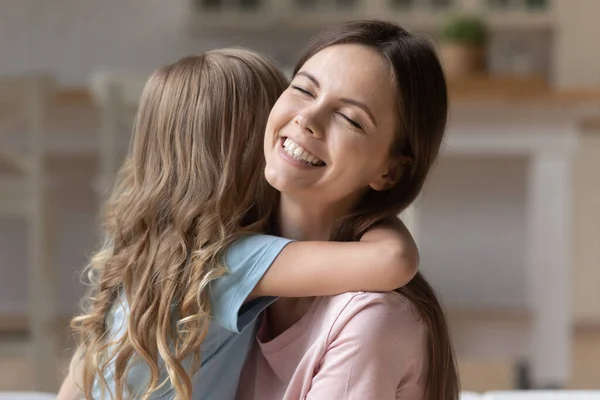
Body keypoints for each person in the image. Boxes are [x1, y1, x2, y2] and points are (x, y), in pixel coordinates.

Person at [57, 48, 419, 400]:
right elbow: (393, 261)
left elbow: (84, 371)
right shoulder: (228, 261)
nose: (297, 124)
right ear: (242, 156)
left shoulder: (146, 247)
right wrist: (380, 209)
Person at [237, 20, 459, 400]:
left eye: (351, 119)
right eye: (304, 89)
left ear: (389, 171)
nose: (307, 119)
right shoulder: (224, 261)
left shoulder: (371, 317)